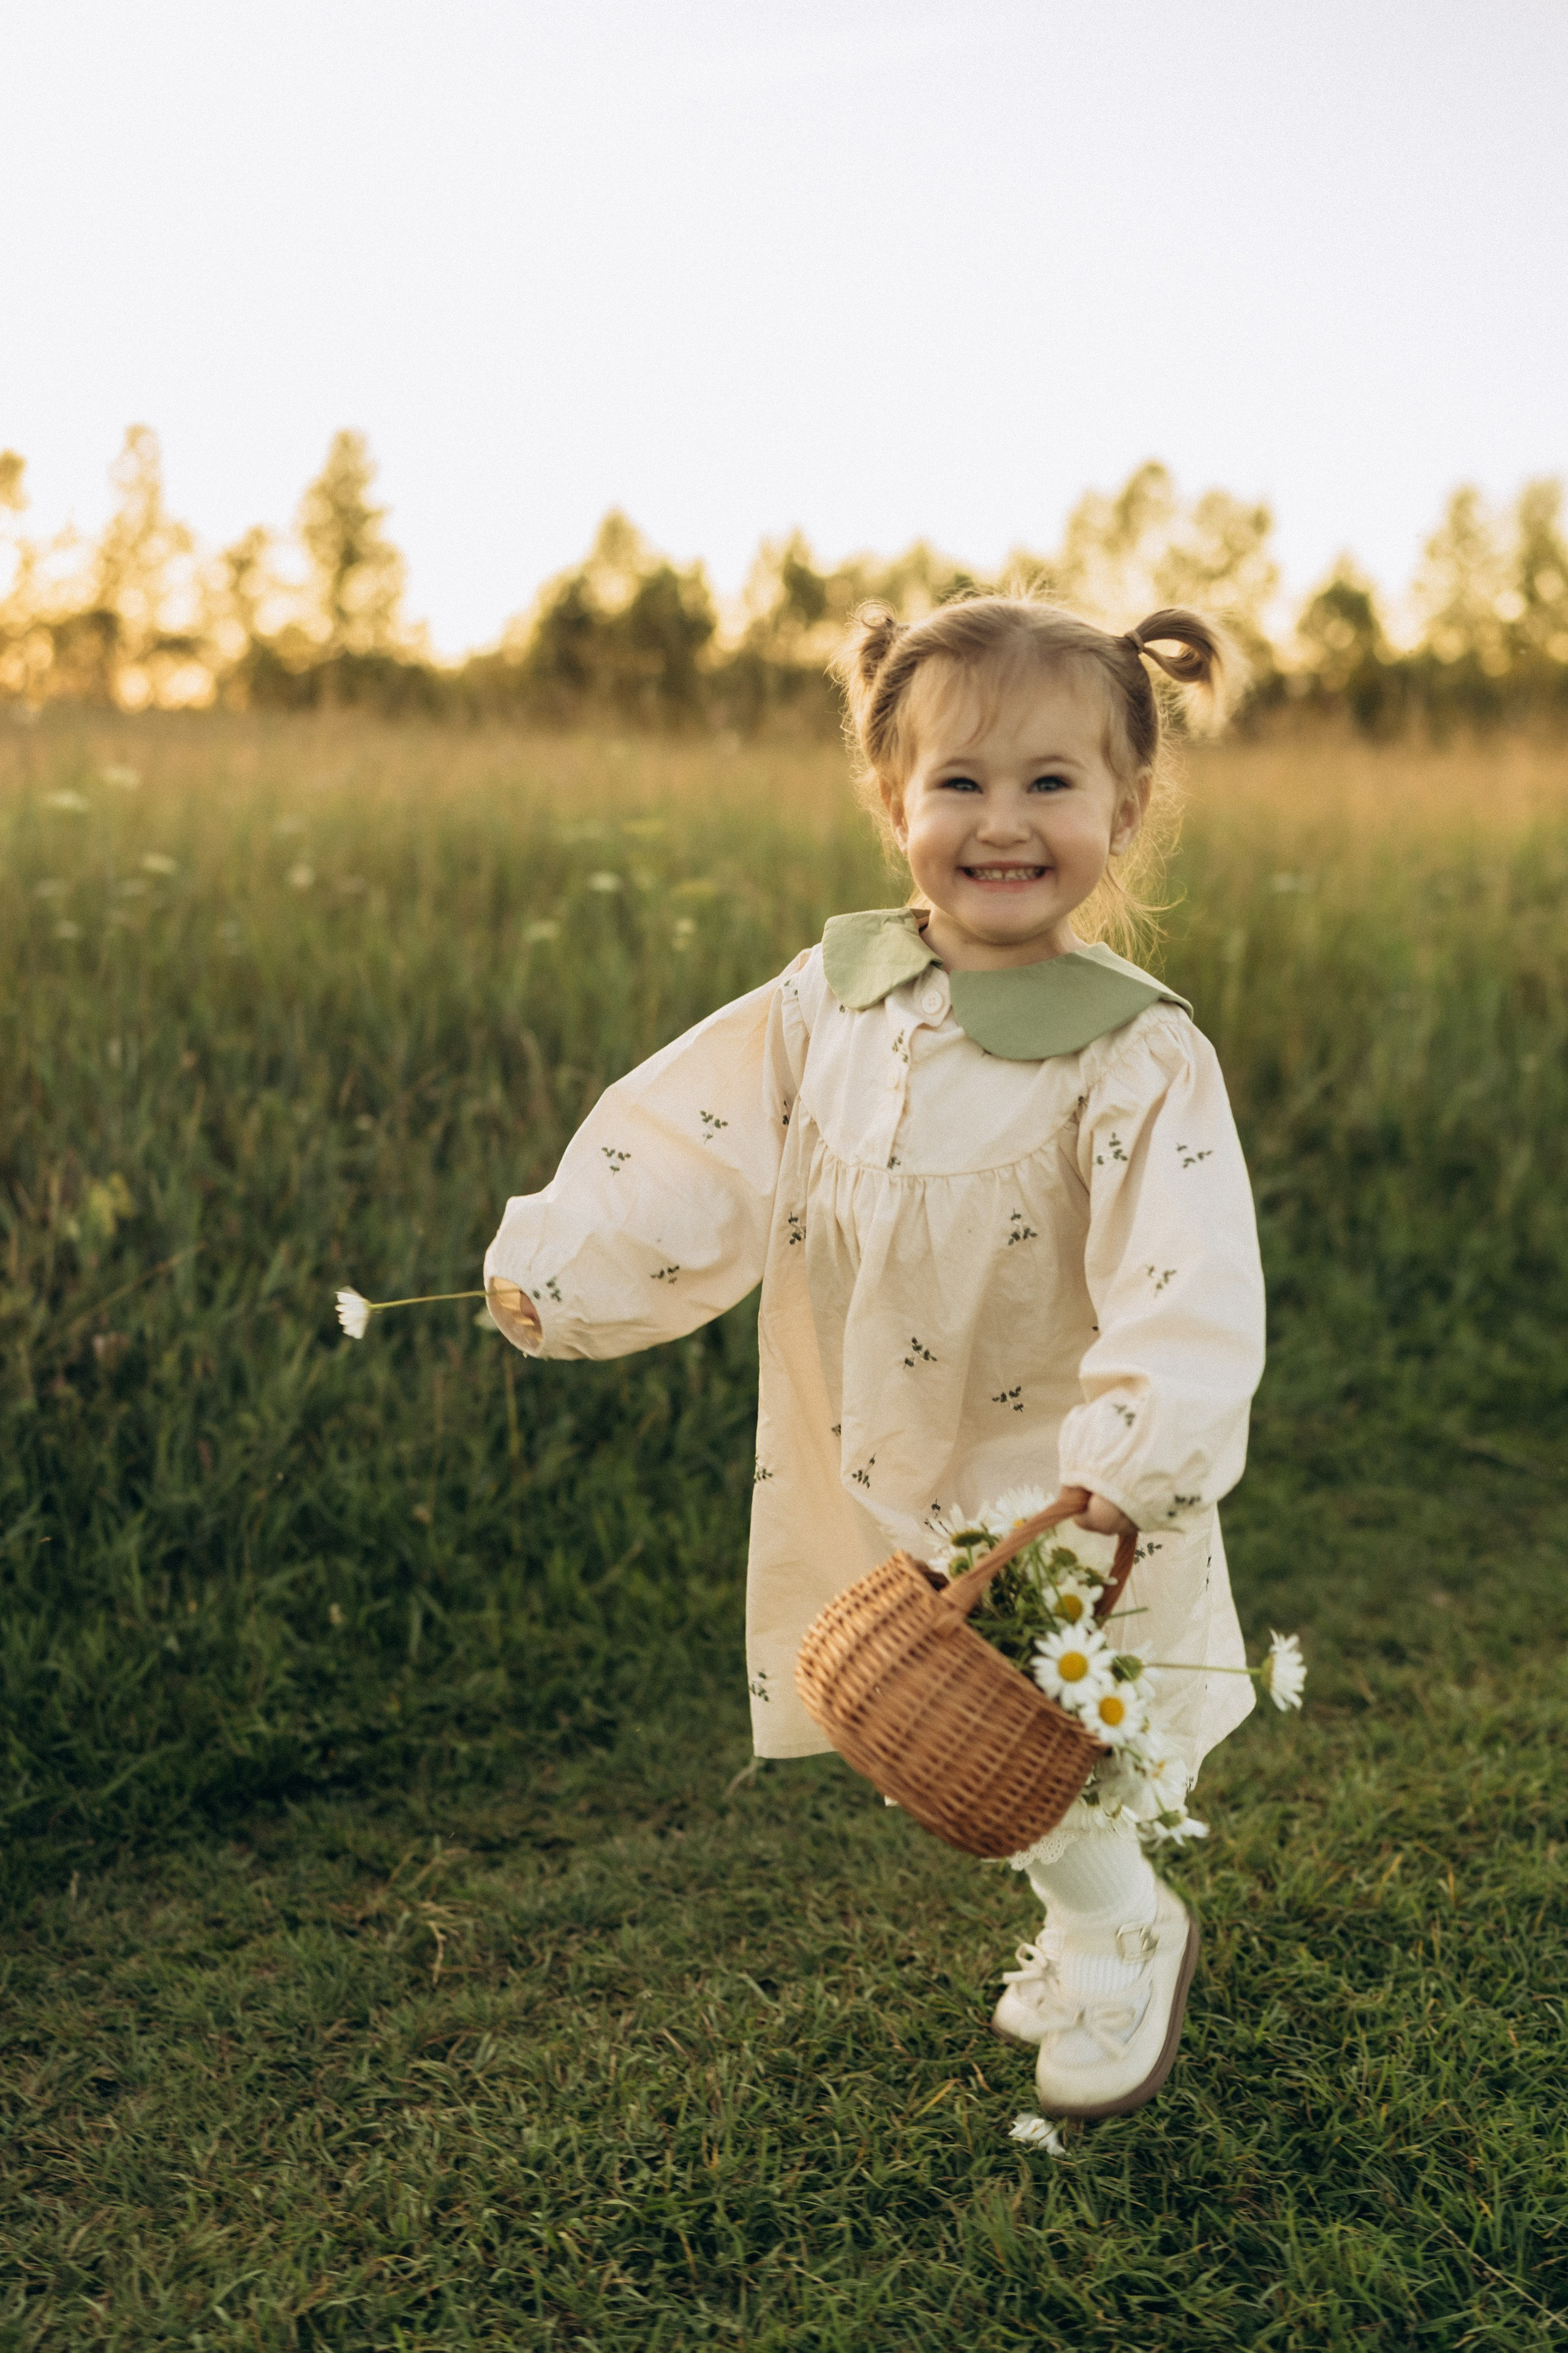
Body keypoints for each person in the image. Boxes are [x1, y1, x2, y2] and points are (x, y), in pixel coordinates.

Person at [484, 595, 1266, 2120]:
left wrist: (1130, 1453)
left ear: (1128, 802)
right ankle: (1079, 1908)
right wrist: (566, 1268)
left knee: (1044, 1691)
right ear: (888, 797)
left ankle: (1122, 1925)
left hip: (1054, 1457)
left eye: (1051, 783)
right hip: (882, 1425)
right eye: (958, 782)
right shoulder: (828, 998)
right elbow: (689, 1147)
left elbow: (1185, 1269)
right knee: (932, 1708)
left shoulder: (1133, 1051)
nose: (1002, 823)